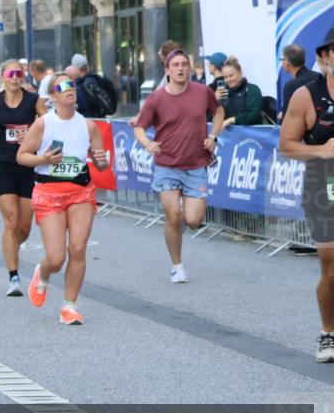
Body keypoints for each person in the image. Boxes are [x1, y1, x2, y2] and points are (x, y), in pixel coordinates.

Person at [17, 73, 109, 324]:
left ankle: (69, 306)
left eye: (72, 85)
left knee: (77, 249)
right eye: (63, 86)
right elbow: (22, 156)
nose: (70, 89)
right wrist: (43, 159)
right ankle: (43, 273)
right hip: (49, 192)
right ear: (53, 95)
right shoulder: (43, 124)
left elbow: (101, 164)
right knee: (56, 258)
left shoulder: (88, 126)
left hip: (80, 192)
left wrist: (101, 161)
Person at [133, 49, 224, 283]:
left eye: (184, 64)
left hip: (196, 165)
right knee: (173, 216)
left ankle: (178, 226)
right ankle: (177, 267)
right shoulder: (156, 98)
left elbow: (218, 111)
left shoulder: (203, 92)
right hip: (167, 165)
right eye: (175, 65)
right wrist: (147, 143)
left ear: (189, 68)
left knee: (193, 221)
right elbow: (139, 127)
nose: (180, 68)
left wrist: (213, 136)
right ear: (167, 70)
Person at [279, 27, 334, 362]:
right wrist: (321, 151)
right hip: (322, 187)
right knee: (331, 266)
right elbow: (286, 146)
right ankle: (329, 332)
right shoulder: (307, 95)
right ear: (325, 56)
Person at [0, 59, 48, 296]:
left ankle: (11, 249)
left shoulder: (33, 100)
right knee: (11, 221)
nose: (15, 78)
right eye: (10, 74)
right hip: (3, 166)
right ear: (2, 76)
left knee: (24, 227)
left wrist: (32, 136)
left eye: (19, 74)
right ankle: (14, 276)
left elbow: (50, 126)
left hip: (27, 167)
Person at [215, 55, 263, 128]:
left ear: (240, 73)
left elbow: (254, 115)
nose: (228, 79)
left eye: (231, 75)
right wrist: (215, 101)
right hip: (229, 134)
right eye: (225, 77)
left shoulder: (252, 90)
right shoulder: (224, 92)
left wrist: (233, 120)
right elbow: (217, 117)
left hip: (251, 133)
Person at [280, 44, 321, 121]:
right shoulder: (320, 77)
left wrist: (282, 115)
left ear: (287, 62)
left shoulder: (291, 86)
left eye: (282, 59)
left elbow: (287, 119)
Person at [71, 54, 118, 118]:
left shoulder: (82, 85)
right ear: (87, 66)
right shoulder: (97, 79)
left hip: (90, 120)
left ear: (75, 69)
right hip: (100, 119)